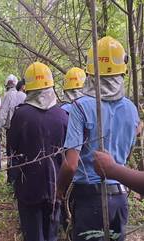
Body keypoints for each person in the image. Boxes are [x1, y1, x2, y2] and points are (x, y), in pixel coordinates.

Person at [56, 36, 140, 241]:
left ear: (90, 71)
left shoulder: (79, 107)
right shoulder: (131, 109)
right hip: (119, 197)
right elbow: (126, 153)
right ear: (123, 70)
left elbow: (71, 165)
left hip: (88, 199)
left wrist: (59, 189)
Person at [8, 62, 68, 241]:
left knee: (33, 235)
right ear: (51, 85)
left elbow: (12, 147)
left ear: (28, 88)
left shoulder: (20, 115)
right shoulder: (63, 115)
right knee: (51, 234)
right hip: (56, 186)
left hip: (28, 187)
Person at [0, 74, 26, 183]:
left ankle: (11, 179)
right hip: (22, 130)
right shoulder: (24, 96)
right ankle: (17, 180)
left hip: (11, 130)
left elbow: (3, 113)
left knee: (11, 154)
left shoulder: (8, 95)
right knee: (19, 154)